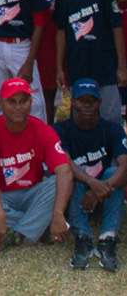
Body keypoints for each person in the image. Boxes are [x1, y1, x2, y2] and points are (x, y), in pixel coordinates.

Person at [0, 78, 73, 250]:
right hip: (2, 194)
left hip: (33, 191)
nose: (18, 107)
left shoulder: (43, 130)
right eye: (12, 101)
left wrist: (58, 214)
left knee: (57, 183)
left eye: (24, 101)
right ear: (0, 103)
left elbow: (65, 172)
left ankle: (20, 234)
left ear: (31, 102)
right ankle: (39, 225)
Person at [53, 79, 127, 272]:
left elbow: (125, 165)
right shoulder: (60, 130)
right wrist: (94, 183)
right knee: (74, 173)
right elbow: (65, 162)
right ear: (73, 102)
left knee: (113, 173)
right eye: (82, 100)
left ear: (100, 103)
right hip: (76, 200)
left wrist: (102, 187)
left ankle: (108, 238)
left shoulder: (113, 129)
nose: (87, 105)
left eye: (92, 100)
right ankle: (82, 237)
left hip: (104, 199)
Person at [53, 0, 127, 125]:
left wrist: (121, 66)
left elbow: (116, 28)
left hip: (104, 62)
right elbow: (61, 31)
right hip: (78, 61)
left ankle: (115, 152)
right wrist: (59, 67)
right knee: (81, 114)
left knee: (110, 115)